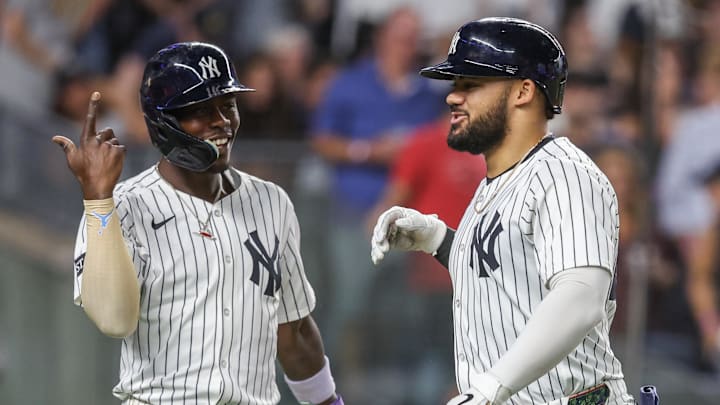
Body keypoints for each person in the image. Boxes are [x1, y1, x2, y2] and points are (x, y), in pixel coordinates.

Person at [52, 42, 342, 405]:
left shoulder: (272, 202)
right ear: (165, 122)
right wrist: (98, 200)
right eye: (202, 111)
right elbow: (114, 319)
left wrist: (329, 402)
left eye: (228, 105)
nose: (222, 121)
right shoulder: (122, 206)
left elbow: (294, 330)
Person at [370, 17, 635, 404]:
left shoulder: (563, 174)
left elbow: (580, 297)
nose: (452, 97)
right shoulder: (496, 183)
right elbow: (511, 278)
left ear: (524, 91)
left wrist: (491, 386)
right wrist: (439, 239)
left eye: (471, 84)